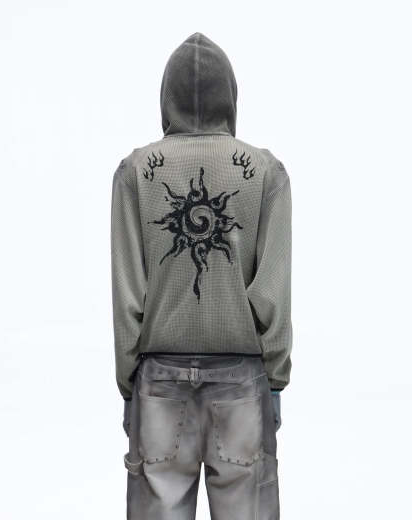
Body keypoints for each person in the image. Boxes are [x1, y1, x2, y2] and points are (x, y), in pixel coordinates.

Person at [111, 31, 292, 520]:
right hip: (242, 385)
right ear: (230, 96)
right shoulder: (266, 173)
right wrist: (275, 382)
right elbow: (273, 294)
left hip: (158, 384)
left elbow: (128, 298)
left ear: (165, 97)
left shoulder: (134, 172)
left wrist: (130, 388)